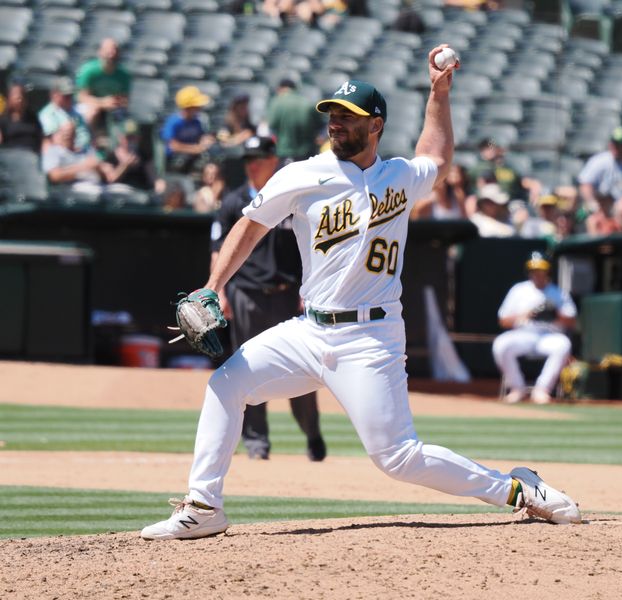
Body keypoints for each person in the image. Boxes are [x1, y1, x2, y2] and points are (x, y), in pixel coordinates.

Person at [140, 47, 581, 540]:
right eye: (331, 113)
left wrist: (439, 92)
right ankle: (204, 507)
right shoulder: (303, 174)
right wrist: (212, 287)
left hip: (372, 337)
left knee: (397, 457)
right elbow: (249, 226)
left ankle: (518, 490)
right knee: (227, 384)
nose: (335, 123)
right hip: (308, 330)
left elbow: (435, 154)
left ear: (376, 125)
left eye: (347, 116)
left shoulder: (399, 176)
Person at [210, 135, 326, 461]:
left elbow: (312, 251)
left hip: (287, 296)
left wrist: (311, 290)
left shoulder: (291, 198)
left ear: (274, 160)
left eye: (259, 158)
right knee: (249, 372)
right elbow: (218, 250)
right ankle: (257, 444)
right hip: (246, 293)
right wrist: (218, 291)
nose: (252, 164)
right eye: (248, 158)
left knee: (301, 373)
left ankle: (312, 433)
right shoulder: (234, 203)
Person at [492, 252, 577, 405]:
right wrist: (528, 314)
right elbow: (503, 321)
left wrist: (554, 314)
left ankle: (542, 390)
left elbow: (571, 321)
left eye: (541, 270)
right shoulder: (519, 290)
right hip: (524, 334)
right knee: (501, 344)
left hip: (549, 335)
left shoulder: (558, 292)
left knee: (563, 344)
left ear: (548, 271)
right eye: (534, 270)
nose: (537, 274)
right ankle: (517, 389)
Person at [75, 38, 131, 132]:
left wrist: (116, 102)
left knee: (124, 119)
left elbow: (125, 99)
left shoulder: (123, 74)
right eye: (108, 50)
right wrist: (103, 103)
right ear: (100, 52)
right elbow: (81, 97)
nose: (112, 53)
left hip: (113, 108)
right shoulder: (89, 70)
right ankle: (86, 141)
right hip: (92, 105)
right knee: (91, 112)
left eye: (115, 50)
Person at [263, 78, 324, 165]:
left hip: (284, 153)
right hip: (307, 155)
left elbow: (271, 126)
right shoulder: (307, 102)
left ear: (280, 89)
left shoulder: (276, 102)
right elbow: (320, 126)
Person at [161, 86, 217, 174]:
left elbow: (200, 138)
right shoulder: (173, 122)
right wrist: (196, 149)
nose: (199, 108)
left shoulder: (196, 121)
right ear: (188, 107)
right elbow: (173, 146)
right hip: (174, 163)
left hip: (191, 161)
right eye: (196, 105)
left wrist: (206, 140)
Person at [38, 77, 92, 152]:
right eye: (66, 96)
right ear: (54, 95)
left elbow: (85, 134)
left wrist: (81, 147)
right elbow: (54, 140)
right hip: (62, 154)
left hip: (83, 151)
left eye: (71, 95)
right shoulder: (47, 115)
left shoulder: (75, 112)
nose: (70, 98)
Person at [0, 82, 44, 153]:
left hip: (31, 155)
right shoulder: (3, 120)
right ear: (10, 98)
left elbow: (40, 137)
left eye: (22, 95)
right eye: (16, 95)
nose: (19, 98)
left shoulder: (33, 117)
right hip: (11, 156)